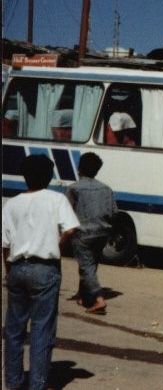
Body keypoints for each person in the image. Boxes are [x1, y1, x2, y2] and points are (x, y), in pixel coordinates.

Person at [3, 155, 80, 390]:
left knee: (14, 329)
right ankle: (37, 384)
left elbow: (5, 244)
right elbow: (71, 228)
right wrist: (57, 244)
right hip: (45, 269)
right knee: (42, 328)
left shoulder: (11, 203)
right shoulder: (56, 199)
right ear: (48, 176)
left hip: (17, 267)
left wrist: (9, 271)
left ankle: (13, 382)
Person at [66, 152, 117, 315]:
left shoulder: (74, 188)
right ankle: (84, 295)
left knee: (86, 266)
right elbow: (114, 212)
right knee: (91, 263)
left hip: (83, 234)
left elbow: (66, 212)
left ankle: (98, 299)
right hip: (103, 232)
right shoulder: (106, 188)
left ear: (79, 168)